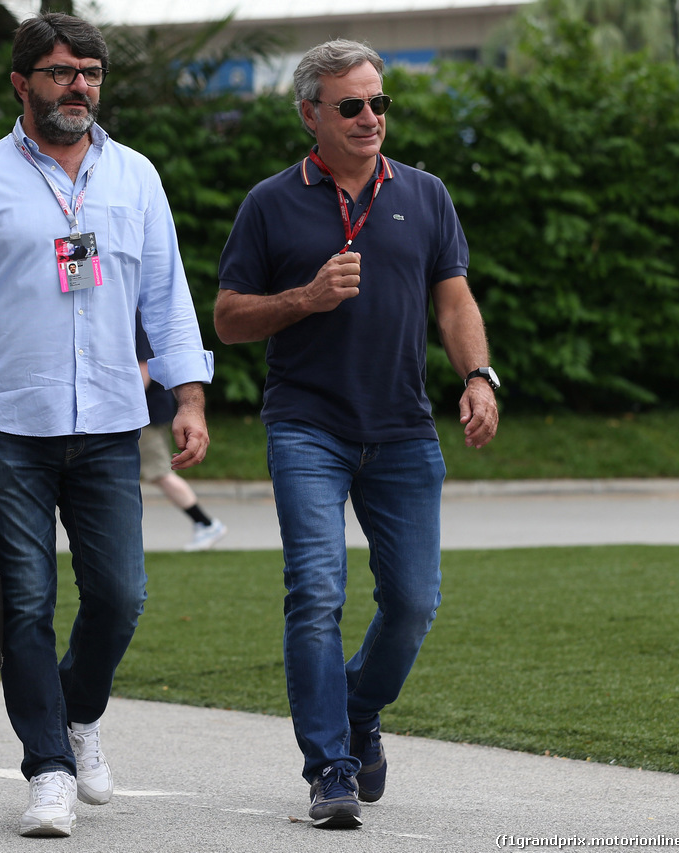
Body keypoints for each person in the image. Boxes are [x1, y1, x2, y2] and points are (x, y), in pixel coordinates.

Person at [0, 13, 214, 839]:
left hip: (111, 420)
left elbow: (169, 298)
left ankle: (79, 715)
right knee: (28, 600)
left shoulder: (137, 177)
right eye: (60, 72)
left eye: (90, 72)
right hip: (7, 426)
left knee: (120, 594)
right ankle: (47, 769)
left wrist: (190, 397)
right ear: (21, 83)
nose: (78, 85)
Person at [213, 39, 499, 829]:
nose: (370, 117)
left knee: (413, 602)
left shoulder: (426, 193)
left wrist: (477, 376)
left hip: (404, 429)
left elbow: (454, 301)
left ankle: (360, 708)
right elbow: (230, 316)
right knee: (315, 593)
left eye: (378, 102)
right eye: (351, 105)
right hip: (308, 425)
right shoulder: (271, 202)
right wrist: (303, 298)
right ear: (311, 112)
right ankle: (330, 767)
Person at [136, 318, 227, 550]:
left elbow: (143, 369)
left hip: (144, 413)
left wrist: (123, 407)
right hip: (147, 411)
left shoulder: (136, 317)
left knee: (159, 473)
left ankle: (205, 523)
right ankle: (205, 523)